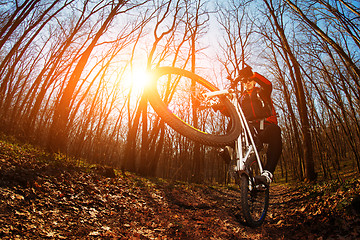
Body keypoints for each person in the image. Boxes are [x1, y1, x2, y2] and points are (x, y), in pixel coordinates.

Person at [219, 66, 282, 185]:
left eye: (249, 80)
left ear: (253, 81)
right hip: (248, 129)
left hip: (265, 127)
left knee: (275, 131)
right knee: (234, 121)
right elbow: (230, 111)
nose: (247, 82)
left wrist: (253, 75)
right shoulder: (241, 98)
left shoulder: (262, 92)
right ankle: (231, 157)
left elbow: (268, 84)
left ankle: (267, 173)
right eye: (245, 81)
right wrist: (218, 107)